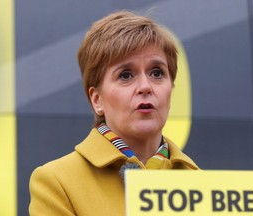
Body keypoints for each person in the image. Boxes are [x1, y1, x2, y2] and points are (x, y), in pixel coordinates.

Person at [29, 10, 199, 216]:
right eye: (126, 75)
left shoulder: (201, 183)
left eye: (157, 73)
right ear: (97, 99)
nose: (145, 86)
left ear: (170, 90)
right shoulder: (57, 182)